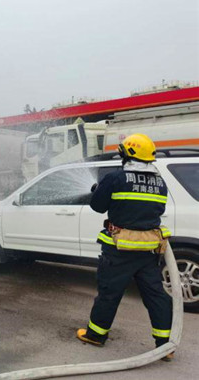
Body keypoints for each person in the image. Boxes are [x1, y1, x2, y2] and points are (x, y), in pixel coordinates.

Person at [76, 133, 174, 361]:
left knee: (109, 293)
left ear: (127, 154)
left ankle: (96, 335)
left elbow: (98, 206)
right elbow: (155, 210)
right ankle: (165, 346)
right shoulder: (160, 182)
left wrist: (98, 190)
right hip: (149, 251)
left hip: (119, 251)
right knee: (156, 296)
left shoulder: (115, 178)